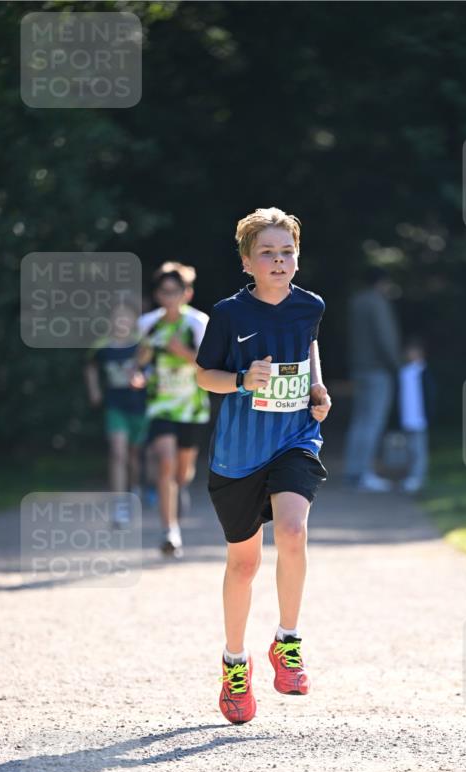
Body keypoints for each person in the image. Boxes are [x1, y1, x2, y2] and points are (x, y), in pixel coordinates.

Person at [195, 207, 331, 725]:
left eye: (287, 251)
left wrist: (317, 387)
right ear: (248, 262)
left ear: (297, 257)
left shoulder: (310, 305)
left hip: (295, 436)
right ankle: (235, 663)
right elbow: (204, 375)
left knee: (293, 531)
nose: (279, 260)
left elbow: (309, 346)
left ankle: (287, 641)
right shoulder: (229, 313)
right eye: (268, 253)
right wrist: (240, 381)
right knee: (244, 564)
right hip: (238, 452)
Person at [137, 262, 210, 557]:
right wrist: (137, 373)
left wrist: (185, 354)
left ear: (187, 293)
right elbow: (139, 361)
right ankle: (171, 532)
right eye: (163, 292)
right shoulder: (148, 324)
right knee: (165, 462)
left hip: (192, 408)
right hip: (160, 406)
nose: (168, 297)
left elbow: (211, 367)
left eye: (174, 292)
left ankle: (180, 492)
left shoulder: (198, 323)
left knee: (182, 473)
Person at [83, 298, 147, 528]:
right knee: (117, 453)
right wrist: (95, 391)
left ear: (134, 320)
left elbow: (153, 368)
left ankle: (136, 488)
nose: (121, 321)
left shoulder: (142, 345)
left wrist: (144, 378)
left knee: (133, 456)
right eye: (116, 316)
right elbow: (90, 367)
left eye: (126, 316)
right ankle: (120, 504)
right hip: (115, 406)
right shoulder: (102, 346)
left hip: (140, 407)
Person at [343, 266, 402, 491]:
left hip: (359, 368)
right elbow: (385, 339)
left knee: (359, 421)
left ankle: (353, 471)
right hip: (378, 370)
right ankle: (364, 474)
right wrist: (396, 366)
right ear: (383, 282)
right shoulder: (378, 303)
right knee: (373, 422)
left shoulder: (356, 302)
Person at [398, 337, 436, 493]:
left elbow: (430, 396)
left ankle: (418, 477)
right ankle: (411, 476)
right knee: (409, 448)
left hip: (420, 418)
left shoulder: (424, 373)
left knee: (419, 449)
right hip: (407, 417)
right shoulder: (404, 372)